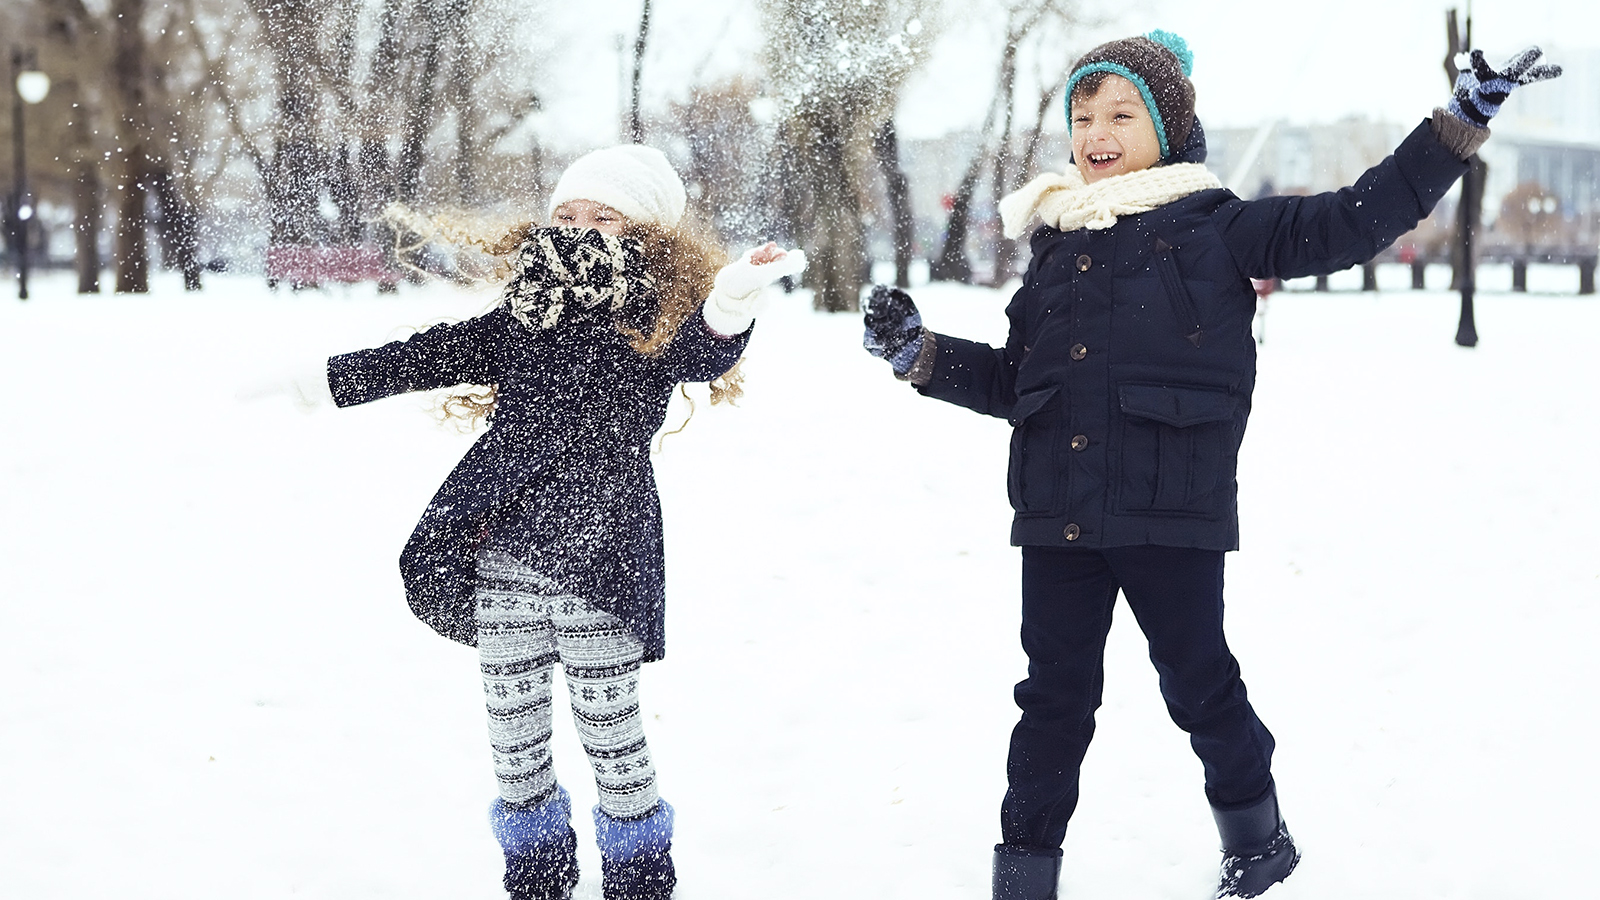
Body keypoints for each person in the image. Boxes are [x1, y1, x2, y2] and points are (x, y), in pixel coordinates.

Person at [861, 31, 1558, 900]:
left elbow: (1354, 218)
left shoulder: (1221, 227)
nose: (1095, 132)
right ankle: (1024, 875)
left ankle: (1258, 840)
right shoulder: (1054, 246)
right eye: (1082, 116)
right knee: (1051, 703)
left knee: (1198, 684)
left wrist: (1457, 123)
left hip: (1169, 509)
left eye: (1120, 113)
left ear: (1168, 123)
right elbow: (1015, 380)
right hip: (1059, 514)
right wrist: (919, 353)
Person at [273, 144, 804, 900]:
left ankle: (639, 885)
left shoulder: (651, 316)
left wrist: (731, 300)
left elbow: (700, 354)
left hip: (601, 557)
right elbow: (431, 354)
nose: (580, 225)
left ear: (645, 232)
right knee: (514, 745)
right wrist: (317, 381)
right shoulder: (525, 316)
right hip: (505, 554)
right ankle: (538, 884)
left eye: (605, 214)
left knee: (612, 734)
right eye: (568, 211)